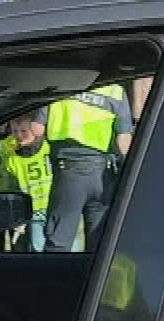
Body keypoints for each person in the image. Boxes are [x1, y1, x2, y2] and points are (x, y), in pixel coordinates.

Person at [42, 84, 133, 252]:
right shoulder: (115, 91)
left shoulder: (60, 84)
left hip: (70, 174)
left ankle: (54, 278)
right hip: (102, 176)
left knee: (59, 243)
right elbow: (124, 139)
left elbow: (36, 129)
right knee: (99, 246)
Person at [0, 108, 52, 251]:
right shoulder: (11, 155)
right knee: (37, 247)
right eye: (15, 131)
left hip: (52, 207)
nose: (19, 136)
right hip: (33, 212)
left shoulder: (48, 147)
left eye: (23, 131)